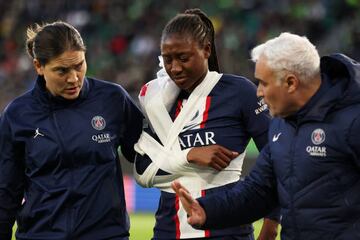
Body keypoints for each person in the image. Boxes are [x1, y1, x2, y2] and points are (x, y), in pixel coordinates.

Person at [172, 32, 360, 240]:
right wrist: (207, 210)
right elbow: (258, 191)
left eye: (263, 83)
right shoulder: (281, 124)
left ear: (290, 83)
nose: (258, 92)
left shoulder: (353, 120)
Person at [134, 8, 279, 240]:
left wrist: (270, 226)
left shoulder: (239, 92)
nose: (175, 68)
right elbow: (142, 168)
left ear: (206, 50)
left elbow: (277, 158)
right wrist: (189, 155)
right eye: (168, 59)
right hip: (167, 232)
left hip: (229, 232)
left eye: (183, 58)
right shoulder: (159, 103)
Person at [0, 21, 143, 240]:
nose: (73, 78)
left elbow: (147, 153)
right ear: (39, 66)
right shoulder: (17, 116)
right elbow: (6, 193)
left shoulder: (113, 100)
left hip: (106, 236)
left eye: (79, 65)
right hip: (40, 236)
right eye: (62, 70)